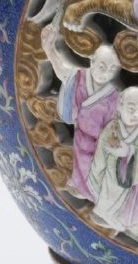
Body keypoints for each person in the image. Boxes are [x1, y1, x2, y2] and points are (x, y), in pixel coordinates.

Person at [41, 25, 120, 199]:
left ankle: (97, 194)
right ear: (93, 62)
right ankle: (80, 187)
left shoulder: (113, 95)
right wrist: (49, 49)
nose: (105, 74)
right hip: (81, 135)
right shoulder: (80, 78)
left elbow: (115, 122)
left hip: (99, 141)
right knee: (81, 166)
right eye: (102, 67)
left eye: (111, 70)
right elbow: (62, 72)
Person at [88, 87, 138, 243]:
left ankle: (135, 229)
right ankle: (106, 214)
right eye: (131, 108)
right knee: (107, 198)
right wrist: (95, 178)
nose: (136, 114)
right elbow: (100, 157)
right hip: (111, 178)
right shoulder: (112, 128)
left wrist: (129, 151)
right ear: (120, 106)